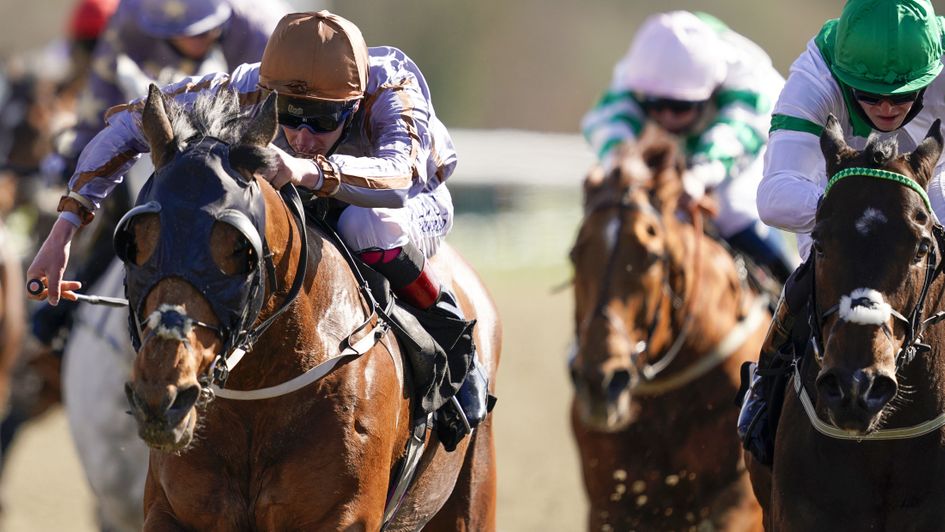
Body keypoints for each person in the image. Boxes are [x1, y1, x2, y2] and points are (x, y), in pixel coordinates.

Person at [26, 10, 489, 451]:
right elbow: (127, 125)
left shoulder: (392, 88)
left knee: (366, 224)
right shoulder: (247, 84)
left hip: (410, 199)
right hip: (315, 184)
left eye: (323, 120)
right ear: (268, 93)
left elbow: (398, 175)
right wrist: (63, 230)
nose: (303, 135)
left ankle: (448, 334)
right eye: (288, 114)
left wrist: (307, 171)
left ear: (353, 102)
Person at [737, 0, 945, 466]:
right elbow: (773, 196)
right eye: (870, 95)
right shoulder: (816, 74)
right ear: (844, 76)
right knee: (810, 278)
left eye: (905, 94)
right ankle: (764, 395)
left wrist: (908, 216)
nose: (888, 107)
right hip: (842, 205)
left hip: (932, 192)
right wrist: (860, 211)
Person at [30, 0, 288, 355]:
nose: (194, 42)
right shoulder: (129, 20)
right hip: (166, 142)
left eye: (203, 31)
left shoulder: (262, 29)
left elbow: (284, 120)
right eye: (181, 34)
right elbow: (101, 96)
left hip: (244, 152)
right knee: (131, 217)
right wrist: (76, 166)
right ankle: (66, 315)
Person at [581, 11, 797, 283]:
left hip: (751, 146)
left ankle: (795, 289)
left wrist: (700, 175)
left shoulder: (747, 80)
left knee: (730, 207)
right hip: (694, 145)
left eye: (680, 107)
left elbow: (739, 132)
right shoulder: (641, 70)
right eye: (654, 105)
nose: (666, 117)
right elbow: (605, 118)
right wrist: (622, 159)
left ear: (710, 91)